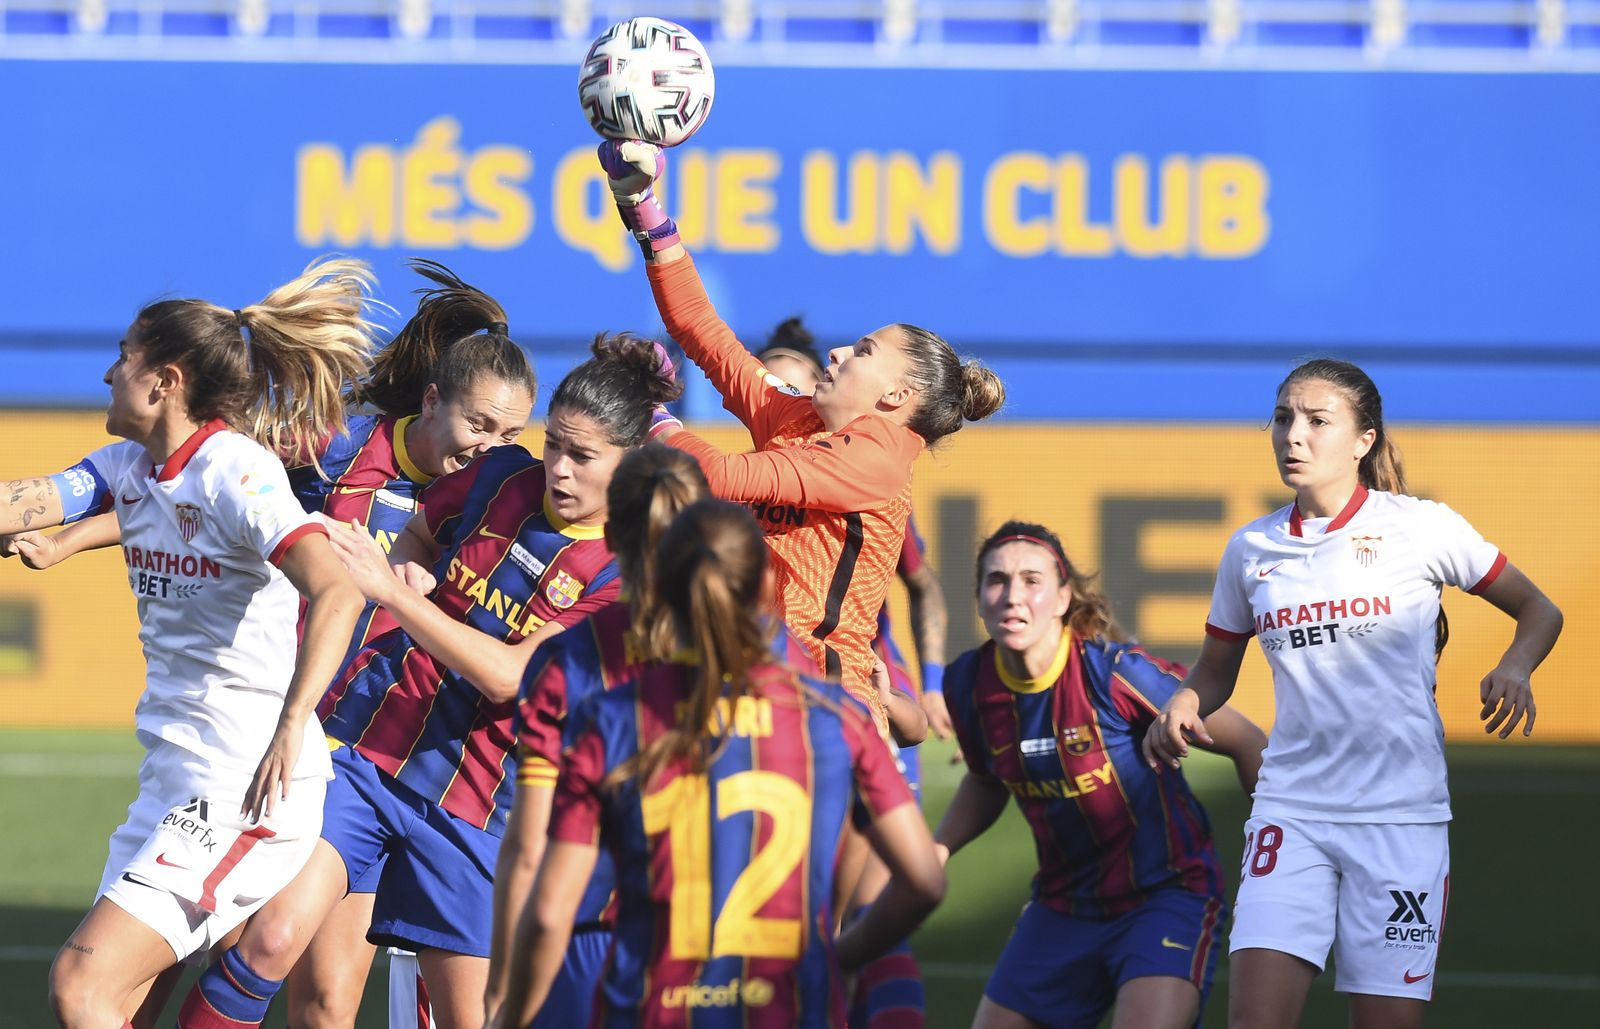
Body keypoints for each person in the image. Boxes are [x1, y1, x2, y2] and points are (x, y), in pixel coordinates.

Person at [6, 259, 535, 1028]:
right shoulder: (329, 448)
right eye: (480, 425)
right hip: (265, 747)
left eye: (510, 434)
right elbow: (182, 494)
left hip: (329, 753)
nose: (489, 448)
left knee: (304, 989)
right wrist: (66, 540)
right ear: (433, 399)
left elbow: (259, 524)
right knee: (166, 979)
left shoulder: (489, 497)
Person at [172, 334, 678, 1029]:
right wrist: (413, 566)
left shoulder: (626, 576)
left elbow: (509, 676)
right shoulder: (500, 473)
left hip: (475, 806)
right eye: (554, 442)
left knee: (473, 1018)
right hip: (365, 755)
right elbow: (420, 531)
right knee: (272, 938)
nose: (558, 466)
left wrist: (397, 595)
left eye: (582, 456)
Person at [1143, 358, 1562, 1029]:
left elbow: (1540, 609)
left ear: (1364, 439)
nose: (1293, 436)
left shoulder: (1422, 526)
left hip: (1402, 820)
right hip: (1293, 811)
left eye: (1316, 420)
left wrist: (1516, 665)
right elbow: (1214, 670)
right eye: (1283, 418)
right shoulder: (1251, 548)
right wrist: (1188, 702)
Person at [13, 259, 377, 1028]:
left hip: (244, 789)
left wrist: (290, 724)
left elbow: (337, 589)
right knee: (120, 1007)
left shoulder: (236, 472)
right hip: (174, 785)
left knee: (81, 985)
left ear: (165, 381)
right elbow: (35, 499)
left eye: (124, 356)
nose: (109, 371)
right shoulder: (130, 467)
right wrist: (61, 539)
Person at [598, 139, 1003, 731]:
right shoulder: (801, 418)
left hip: (821, 708)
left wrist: (654, 412)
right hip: (748, 682)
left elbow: (721, 477)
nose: (837, 352)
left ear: (895, 397)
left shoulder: (880, 457)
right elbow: (702, 329)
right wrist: (643, 206)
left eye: (863, 351)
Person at [497, 499, 947, 1027]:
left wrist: (509, 1016)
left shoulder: (614, 720)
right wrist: (838, 955)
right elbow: (923, 880)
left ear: (661, 590)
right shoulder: (835, 719)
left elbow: (550, 912)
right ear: (766, 588)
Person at [938, 521, 1266, 1029]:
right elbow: (985, 780)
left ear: (1064, 597)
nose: (1011, 595)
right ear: (979, 599)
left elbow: (1245, 741)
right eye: (997, 581)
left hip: (1166, 897)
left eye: (1031, 580)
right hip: (1060, 907)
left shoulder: (1116, 674)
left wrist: (1281, 857)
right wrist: (936, 850)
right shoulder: (966, 684)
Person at [754, 324, 948, 1028]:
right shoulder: (769, 482)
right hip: (800, 698)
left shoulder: (870, 477)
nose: (784, 396)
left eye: (792, 380)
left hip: (848, 697)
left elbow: (924, 587)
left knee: (841, 921)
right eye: (770, 384)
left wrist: (922, 685)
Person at [490, 442, 711, 1027]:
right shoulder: (775, 659)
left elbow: (532, 846)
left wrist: (501, 994)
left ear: (613, 539)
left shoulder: (571, 661)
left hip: (596, 949)